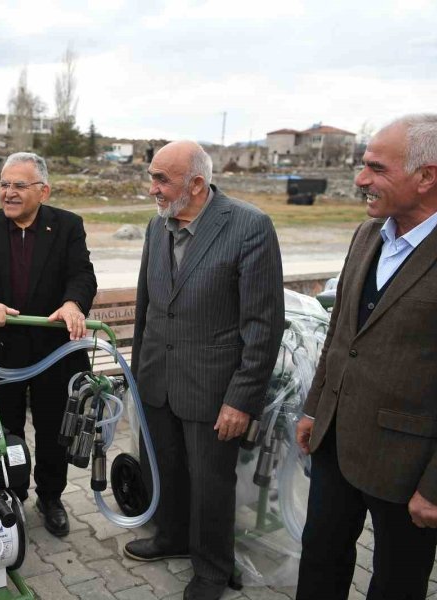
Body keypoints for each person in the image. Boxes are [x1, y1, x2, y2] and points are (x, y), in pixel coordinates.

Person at [295, 114, 437, 600]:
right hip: (335, 443)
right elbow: (342, 334)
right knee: (320, 559)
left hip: (411, 468)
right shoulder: (369, 234)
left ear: (426, 176)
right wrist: (314, 408)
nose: (361, 179)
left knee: (396, 583)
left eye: (376, 168)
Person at [123, 141, 284, 600]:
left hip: (214, 389)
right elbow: (146, 307)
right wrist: (138, 374)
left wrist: (241, 399)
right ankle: (171, 536)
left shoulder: (249, 227)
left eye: (161, 180)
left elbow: (263, 325)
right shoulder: (158, 228)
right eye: (152, 177)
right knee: (166, 468)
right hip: (158, 376)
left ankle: (213, 569)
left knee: (211, 485)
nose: (152, 188)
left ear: (196, 184)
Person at [0, 151, 97, 537]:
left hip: (55, 353)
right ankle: (12, 495)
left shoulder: (67, 226)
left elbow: (82, 274)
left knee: (55, 431)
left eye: (19, 185)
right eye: (3, 184)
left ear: (43, 191)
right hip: (2, 353)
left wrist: (72, 303)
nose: (8, 193)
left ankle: (51, 497)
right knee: (5, 430)